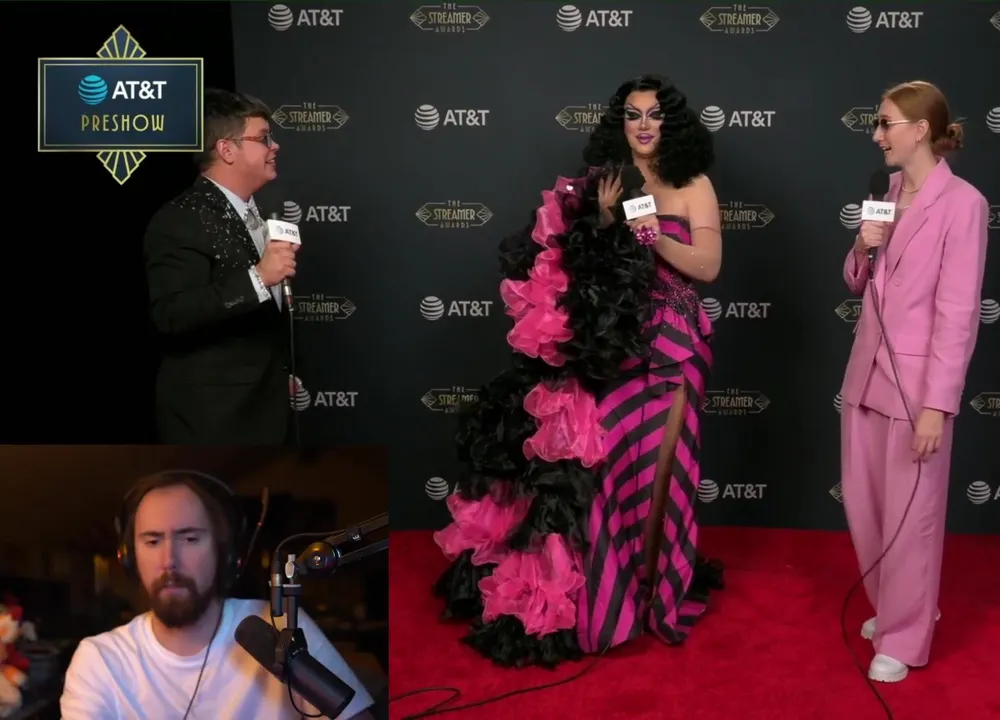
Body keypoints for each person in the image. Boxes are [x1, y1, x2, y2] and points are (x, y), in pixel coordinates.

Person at [431, 73, 724, 667]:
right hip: (614, 349)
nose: (644, 125)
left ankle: (654, 593)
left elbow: (708, 266)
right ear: (621, 124)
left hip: (675, 346)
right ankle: (611, 596)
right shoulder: (603, 183)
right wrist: (607, 222)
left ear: (672, 123)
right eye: (633, 115)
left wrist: (648, 234)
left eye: (655, 114)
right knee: (610, 474)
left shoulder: (694, 184)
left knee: (663, 475)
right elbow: (572, 267)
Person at [839, 80, 988, 683]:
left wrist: (937, 406)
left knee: (912, 517)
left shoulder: (964, 204)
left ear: (920, 130)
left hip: (916, 387)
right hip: (865, 375)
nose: (877, 135)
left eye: (885, 123)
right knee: (868, 508)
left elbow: (958, 314)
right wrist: (861, 244)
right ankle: (897, 607)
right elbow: (859, 282)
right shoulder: (889, 191)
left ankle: (905, 633)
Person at [60, 471, 375, 719]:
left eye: (189, 539)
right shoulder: (100, 659)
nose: (169, 560)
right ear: (129, 558)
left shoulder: (281, 625)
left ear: (225, 555)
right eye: (152, 542)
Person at [144, 88, 297, 445]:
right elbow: (171, 313)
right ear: (227, 150)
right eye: (263, 138)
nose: (275, 146)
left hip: (269, 412)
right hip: (215, 423)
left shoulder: (260, 213)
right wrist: (258, 278)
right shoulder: (180, 218)